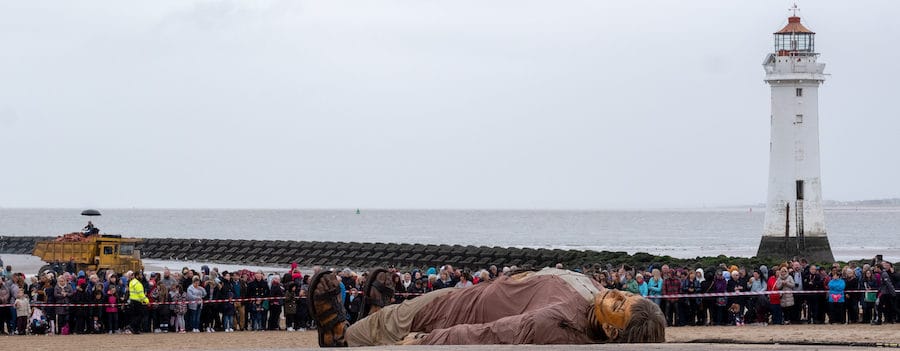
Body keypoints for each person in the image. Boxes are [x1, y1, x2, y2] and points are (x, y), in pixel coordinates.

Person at [308, 267, 665, 347]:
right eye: (626, 296)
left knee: (392, 321)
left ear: (613, 330)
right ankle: (371, 319)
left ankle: (340, 337)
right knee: (388, 320)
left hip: (455, 309)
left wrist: (425, 342)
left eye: (620, 304)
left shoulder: (558, 322)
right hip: (479, 294)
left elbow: (487, 334)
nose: (617, 294)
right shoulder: (597, 300)